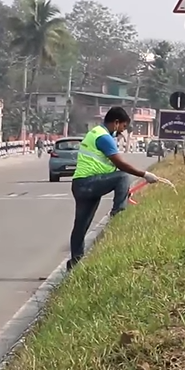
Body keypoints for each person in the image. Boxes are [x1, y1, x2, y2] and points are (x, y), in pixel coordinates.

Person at [68, 107, 162, 270]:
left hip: (81, 184)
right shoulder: (104, 137)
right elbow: (120, 164)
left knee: (81, 226)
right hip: (89, 183)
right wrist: (144, 174)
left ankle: (75, 263)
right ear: (116, 122)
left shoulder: (96, 132)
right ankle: (118, 212)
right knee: (123, 176)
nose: (123, 131)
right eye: (123, 127)